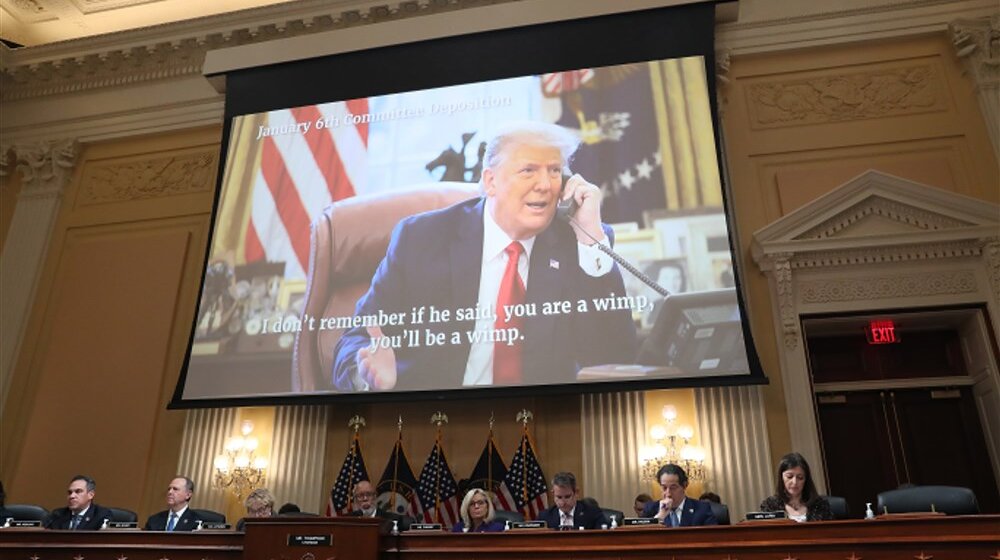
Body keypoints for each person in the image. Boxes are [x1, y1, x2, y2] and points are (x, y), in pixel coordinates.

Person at [332, 121, 638, 391]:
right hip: (435, 418)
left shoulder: (579, 241)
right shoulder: (423, 239)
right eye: (528, 170)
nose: (545, 185)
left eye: (555, 171)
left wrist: (592, 242)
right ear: (491, 181)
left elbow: (616, 355)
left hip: (542, 419)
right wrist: (367, 378)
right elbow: (356, 339)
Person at [759, 452, 832, 522]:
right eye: (789, 477)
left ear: (806, 480)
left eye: (800, 478)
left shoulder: (820, 505)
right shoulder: (770, 506)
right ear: (781, 478)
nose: (795, 482)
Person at [641, 464, 717, 527]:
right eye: (664, 488)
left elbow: (713, 538)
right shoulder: (650, 509)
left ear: (684, 485)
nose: (668, 493)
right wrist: (660, 517)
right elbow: (640, 537)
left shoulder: (702, 509)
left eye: (673, 488)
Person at [538, 472, 608, 530]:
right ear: (553, 494)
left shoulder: (593, 513)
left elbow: (604, 538)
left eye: (567, 497)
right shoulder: (544, 517)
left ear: (576, 493)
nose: (563, 502)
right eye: (559, 497)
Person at [44, 475, 113, 530]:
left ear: (91, 495)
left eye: (78, 491)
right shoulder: (57, 515)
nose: (72, 496)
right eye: (70, 492)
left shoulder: (101, 515)